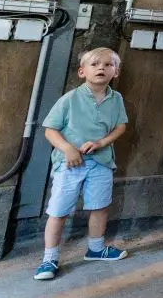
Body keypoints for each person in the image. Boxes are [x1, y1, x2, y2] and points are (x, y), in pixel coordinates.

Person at [34, 48, 129, 281]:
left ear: (115, 72)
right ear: (82, 71)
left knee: (99, 206)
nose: (101, 68)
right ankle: (49, 258)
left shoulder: (116, 99)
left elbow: (120, 126)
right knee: (59, 210)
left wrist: (101, 142)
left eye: (108, 65)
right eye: (95, 64)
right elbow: (50, 130)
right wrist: (67, 149)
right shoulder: (69, 99)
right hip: (70, 164)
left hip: (101, 161)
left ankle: (96, 248)